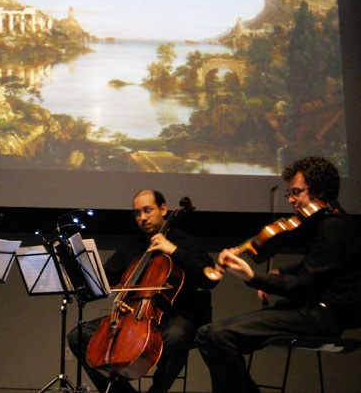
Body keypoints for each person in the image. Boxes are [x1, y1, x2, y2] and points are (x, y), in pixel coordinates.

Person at [196, 156, 361, 393]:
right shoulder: (326, 221)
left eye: (297, 192)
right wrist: (278, 272)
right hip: (306, 309)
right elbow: (317, 266)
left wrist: (252, 278)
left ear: (320, 191)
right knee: (205, 334)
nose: (292, 200)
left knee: (219, 335)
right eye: (289, 193)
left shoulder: (334, 227)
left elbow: (303, 284)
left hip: (321, 316)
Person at [67, 189, 216, 393]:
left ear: (163, 209)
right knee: (78, 336)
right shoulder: (133, 246)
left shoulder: (185, 241)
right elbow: (107, 277)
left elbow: (209, 278)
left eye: (147, 210)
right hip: (133, 318)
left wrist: (171, 249)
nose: (142, 217)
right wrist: (80, 270)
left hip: (176, 317)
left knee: (176, 337)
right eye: (137, 213)